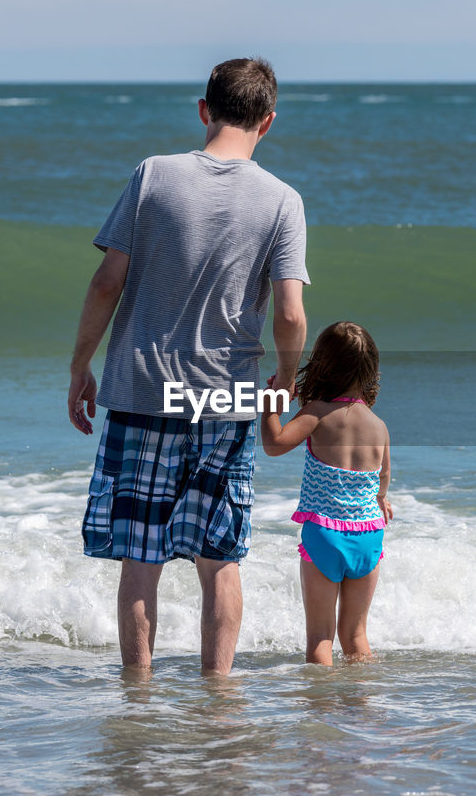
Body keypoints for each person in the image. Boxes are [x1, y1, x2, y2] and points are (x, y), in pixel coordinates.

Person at [67, 58, 309, 676]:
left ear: (204, 110)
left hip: (144, 385)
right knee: (218, 554)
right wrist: (286, 374)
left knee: (141, 556)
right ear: (269, 121)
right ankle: (218, 695)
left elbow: (106, 282)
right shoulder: (283, 201)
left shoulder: (153, 175)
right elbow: (289, 311)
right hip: (225, 395)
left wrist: (81, 364)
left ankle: (139, 695)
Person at [260, 321, 393, 665]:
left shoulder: (317, 414)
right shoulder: (378, 426)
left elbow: (274, 445)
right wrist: (381, 501)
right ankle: (362, 705)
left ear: (323, 365)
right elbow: (383, 478)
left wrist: (271, 405)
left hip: (325, 533)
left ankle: (321, 712)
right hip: (368, 534)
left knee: (321, 636)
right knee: (356, 635)